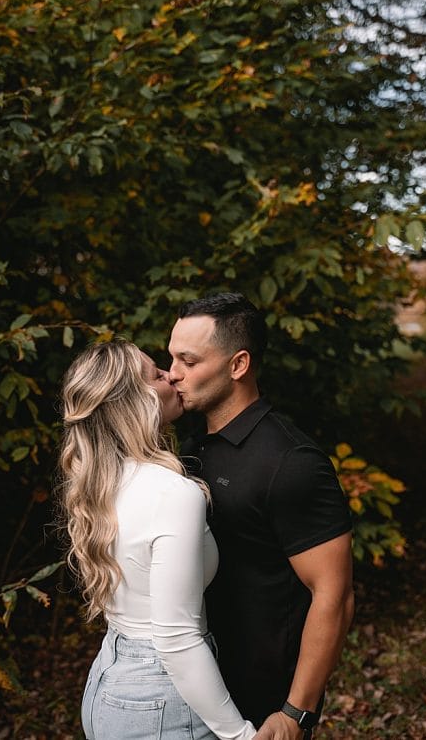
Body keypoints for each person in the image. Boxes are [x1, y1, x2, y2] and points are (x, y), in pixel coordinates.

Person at [167, 293, 355, 739]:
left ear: (238, 365)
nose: (172, 373)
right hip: (197, 696)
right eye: (170, 357)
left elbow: (334, 594)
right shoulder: (191, 450)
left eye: (188, 361)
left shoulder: (290, 461)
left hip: (262, 710)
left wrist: (296, 712)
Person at [59, 339, 257, 740]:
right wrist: (240, 735)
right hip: (161, 700)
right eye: (156, 374)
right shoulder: (172, 493)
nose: (172, 376)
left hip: (109, 683)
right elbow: (176, 638)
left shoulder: (97, 485)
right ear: (133, 401)